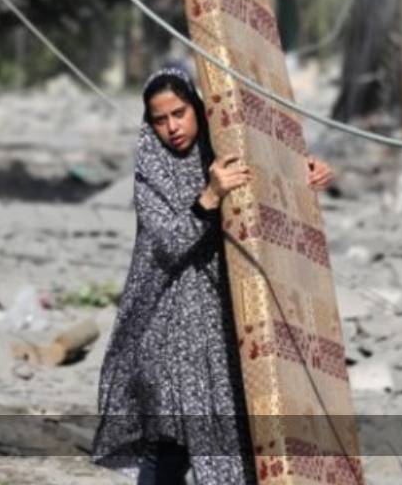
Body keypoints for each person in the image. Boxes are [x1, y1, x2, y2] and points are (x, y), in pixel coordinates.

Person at [92, 67, 334, 484]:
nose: (172, 127)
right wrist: (209, 196)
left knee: (232, 441)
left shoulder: (221, 151)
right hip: (169, 327)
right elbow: (166, 242)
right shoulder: (151, 169)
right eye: (160, 119)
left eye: (179, 113)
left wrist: (305, 173)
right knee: (170, 440)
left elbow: (268, 188)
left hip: (226, 327)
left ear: (198, 110)